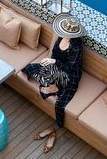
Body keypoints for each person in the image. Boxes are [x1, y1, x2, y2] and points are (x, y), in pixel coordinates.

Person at [23, 13, 85, 153]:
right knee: (30, 68)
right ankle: (54, 86)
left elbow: (70, 67)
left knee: (60, 104)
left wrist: (53, 63)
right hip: (56, 68)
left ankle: (55, 89)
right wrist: (49, 63)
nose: (63, 33)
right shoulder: (60, 37)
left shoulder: (77, 46)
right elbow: (55, 54)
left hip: (70, 76)